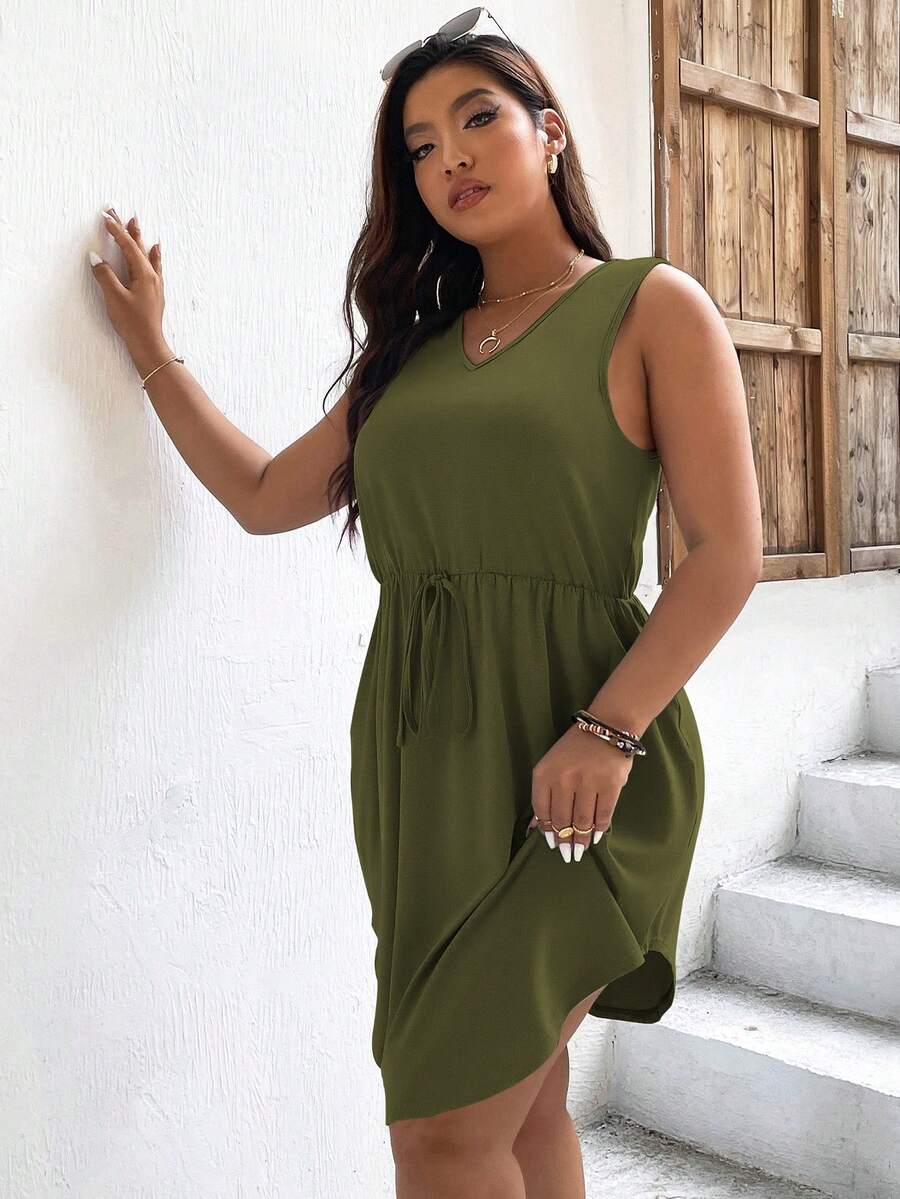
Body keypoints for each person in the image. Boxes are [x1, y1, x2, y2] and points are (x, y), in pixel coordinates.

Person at [88, 12, 762, 1199]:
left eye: (477, 118)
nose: (449, 156)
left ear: (549, 133)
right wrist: (153, 351)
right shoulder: (410, 352)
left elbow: (725, 554)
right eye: (418, 146)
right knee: (522, 1100)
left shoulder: (651, 306)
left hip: (579, 765)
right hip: (420, 770)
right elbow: (263, 495)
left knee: (442, 1138)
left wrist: (609, 729)